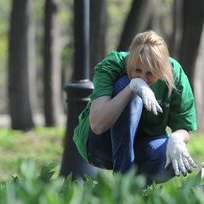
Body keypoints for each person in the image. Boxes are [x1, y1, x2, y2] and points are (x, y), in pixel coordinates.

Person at [73, 30, 197, 184]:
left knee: (170, 156)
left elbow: (184, 127)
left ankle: (138, 190)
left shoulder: (174, 73)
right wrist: (132, 87)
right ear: (130, 61)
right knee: (124, 83)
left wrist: (177, 138)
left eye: (150, 73)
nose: (143, 77)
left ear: (162, 70)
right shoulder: (112, 65)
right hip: (101, 144)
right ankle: (123, 183)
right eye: (137, 70)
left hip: (144, 146)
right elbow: (98, 125)